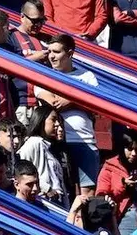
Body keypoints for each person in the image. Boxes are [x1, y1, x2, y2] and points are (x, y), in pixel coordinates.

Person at [33, 34, 99, 196]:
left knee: (87, 194)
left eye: (56, 52)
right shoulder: (44, 75)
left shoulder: (87, 76)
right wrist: (80, 97)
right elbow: (53, 103)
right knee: (61, 192)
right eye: (49, 52)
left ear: (70, 53)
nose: (51, 56)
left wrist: (71, 100)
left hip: (85, 141)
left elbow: (96, 106)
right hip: (55, 143)